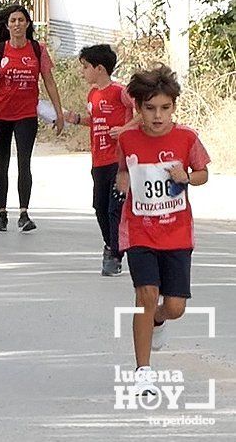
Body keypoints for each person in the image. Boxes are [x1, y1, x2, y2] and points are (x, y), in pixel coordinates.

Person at [114, 65, 210, 396]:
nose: (158, 116)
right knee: (146, 294)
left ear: (173, 107)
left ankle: (158, 320)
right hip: (139, 230)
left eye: (165, 108)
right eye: (150, 108)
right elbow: (121, 170)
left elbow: (203, 173)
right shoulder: (127, 138)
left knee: (175, 307)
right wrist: (122, 181)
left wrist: (187, 176)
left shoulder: (187, 138)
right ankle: (143, 370)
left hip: (177, 233)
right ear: (138, 108)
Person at [0, 4, 64, 232]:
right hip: (0, 114)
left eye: (21, 20)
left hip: (26, 114)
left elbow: (49, 81)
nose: (17, 24)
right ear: (7, 26)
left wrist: (59, 113)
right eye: (13, 21)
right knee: (2, 164)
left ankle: (24, 213)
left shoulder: (38, 50)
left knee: (24, 163)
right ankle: (1, 215)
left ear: (28, 24)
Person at [64, 45, 139, 276]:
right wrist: (76, 119)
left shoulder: (120, 91)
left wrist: (124, 129)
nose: (82, 72)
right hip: (98, 159)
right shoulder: (93, 94)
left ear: (100, 68)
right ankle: (111, 244)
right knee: (99, 207)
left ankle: (114, 254)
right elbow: (94, 120)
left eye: (85, 67)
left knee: (114, 208)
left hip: (119, 161)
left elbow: (142, 113)